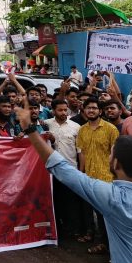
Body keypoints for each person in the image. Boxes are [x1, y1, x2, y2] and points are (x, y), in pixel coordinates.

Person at [18, 83, 132, 263]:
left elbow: (60, 168)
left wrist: (30, 130)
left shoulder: (111, 198)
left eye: (111, 153)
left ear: (115, 163)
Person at [76, 96, 119, 254]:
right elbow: (82, 153)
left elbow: (115, 154)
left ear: (100, 111)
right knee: (94, 212)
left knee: (107, 215)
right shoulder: (82, 130)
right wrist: (81, 174)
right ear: (84, 110)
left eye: (94, 108)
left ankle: (111, 247)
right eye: (89, 108)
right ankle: (100, 242)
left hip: (107, 178)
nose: (91, 110)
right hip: (89, 178)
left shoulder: (111, 129)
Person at [44, 98, 83, 238]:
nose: (63, 112)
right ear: (53, 111)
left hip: (70, 169)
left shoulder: (76, 127)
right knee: (55, 200)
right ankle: (58, 229)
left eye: (65, 110)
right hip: (51, 171)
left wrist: (80, 170)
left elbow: (80, 151)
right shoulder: (46, 125)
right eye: (60, 110)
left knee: (71, 201)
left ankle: (73, 229)